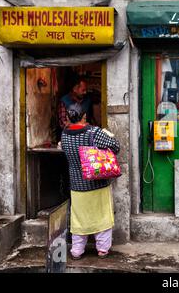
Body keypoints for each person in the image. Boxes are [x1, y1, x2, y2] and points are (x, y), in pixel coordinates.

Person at [61, 103, 120, 259]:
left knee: (79, 219)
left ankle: (77, 251)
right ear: (84, 117)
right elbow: (115, 146)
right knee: (101, 217)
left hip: (76, 185)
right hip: (97, 183)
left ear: (68, 117)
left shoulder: (64, 135)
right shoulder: (94, 132)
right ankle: (102, 249)